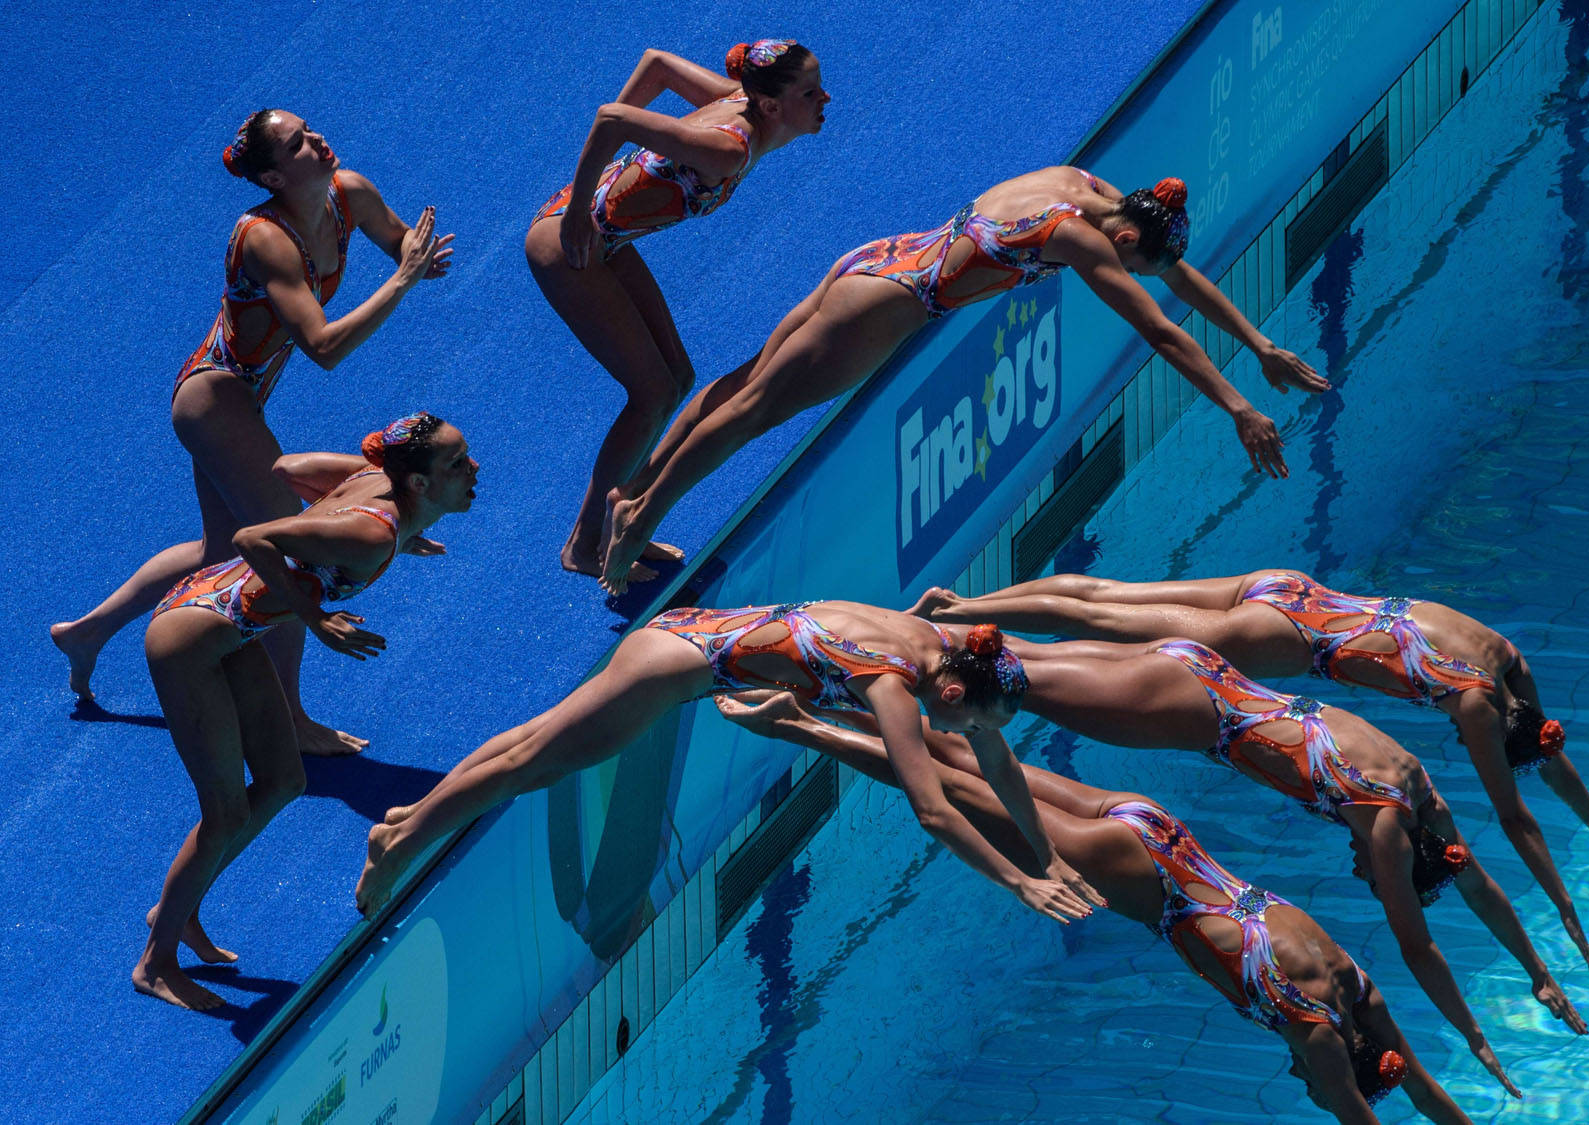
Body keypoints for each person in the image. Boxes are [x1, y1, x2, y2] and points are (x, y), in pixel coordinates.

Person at [718, 691, 1478, 1124]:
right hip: (1144, 877)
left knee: (975, 765)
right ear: (1339, 1071)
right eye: (1315, 1089)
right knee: (953, 792)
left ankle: (838, 690)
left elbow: (1417, 1082)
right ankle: (798, 722)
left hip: (1162, 832)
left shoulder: (1351, 988)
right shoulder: (1317, 1040)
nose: (1302, 1088)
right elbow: (1362, 1110)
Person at [596, 169, 1329, 591]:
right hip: (894, 305)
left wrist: (1257, 344)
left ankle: (634, 493)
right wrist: (1238, 407)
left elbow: (1177, 277)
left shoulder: (1087, 190)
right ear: (1124, 240)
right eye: (1134, 266)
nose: (1135, 277)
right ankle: (639, 519)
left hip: (874, 259)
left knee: (739, 383)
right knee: (756, 410)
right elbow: (1162, 329)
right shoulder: (1076, 237)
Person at [913, 568, 1589, 971]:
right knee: (1086, 638)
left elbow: (1549, 761)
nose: (1463, 746)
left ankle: (966, 608)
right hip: (1284, 641)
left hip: (1296, 593)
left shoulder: (1505, 665)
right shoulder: (1472, 711)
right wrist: (1561, 910)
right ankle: (941, 633)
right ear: (1498, 734)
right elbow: (1515, 818)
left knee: (1107, 602)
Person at [983, 632, 1586, 1094]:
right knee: (990, 691)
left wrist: (1533, 973)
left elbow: (1476, 887)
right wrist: (1476, 1035)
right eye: (1375, 878)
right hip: (1189, 718)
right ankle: (893, 679)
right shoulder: (1383, 831)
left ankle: (915, 640)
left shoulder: (1423, 799)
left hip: (1208, 668)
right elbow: (1417, 949)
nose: (1360, 872)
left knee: (1011, 650)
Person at [52, 109, 453, 756]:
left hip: (242, 397)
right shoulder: (265, 237)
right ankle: (289, 719)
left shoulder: (348, 193)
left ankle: (88, 632)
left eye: (311, 129)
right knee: (290, 551)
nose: (317, 139)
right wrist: (402, 282)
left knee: (219, 549)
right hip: (214, 400)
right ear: (271, 174)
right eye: (297, 143)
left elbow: (400, 240)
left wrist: (416, 255)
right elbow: (322, 347)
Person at [354, 614, 1102, 924]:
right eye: (968, 720)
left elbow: (998, 765)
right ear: (951, 692)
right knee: (531, 762)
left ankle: (404, 822)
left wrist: (1050, 850)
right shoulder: (893, 685)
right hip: (674, 668)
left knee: (534, 742)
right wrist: (1020, 880)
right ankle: (401, 842)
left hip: (687, 632)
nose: (967, 734)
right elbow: (934, 808)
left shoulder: (935, 640)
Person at [134, 414, 477, 1010]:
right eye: (456, 463)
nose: (474, 470)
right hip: (188, 642)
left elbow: (289, 468)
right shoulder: (372, 534)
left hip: (225, 618)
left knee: (284, 780)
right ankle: (155, 963)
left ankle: (175, 909)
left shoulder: (381, 494)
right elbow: (251, 539)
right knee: (224, 813)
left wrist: (351, 525)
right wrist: (315, 618)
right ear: (417, 483)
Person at [526, 40, 828, 582]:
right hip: (570, 245)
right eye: (810, 92)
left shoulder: (741, 102)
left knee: (678, 377)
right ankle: (583, 544)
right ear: (773, 107)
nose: (825, 98)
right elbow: (613, 118)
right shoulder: (728, 150)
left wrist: (596, 194)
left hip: (605, 239)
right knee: (653, 394)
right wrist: (579, 210)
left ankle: (621, 512)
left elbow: (656, 64)